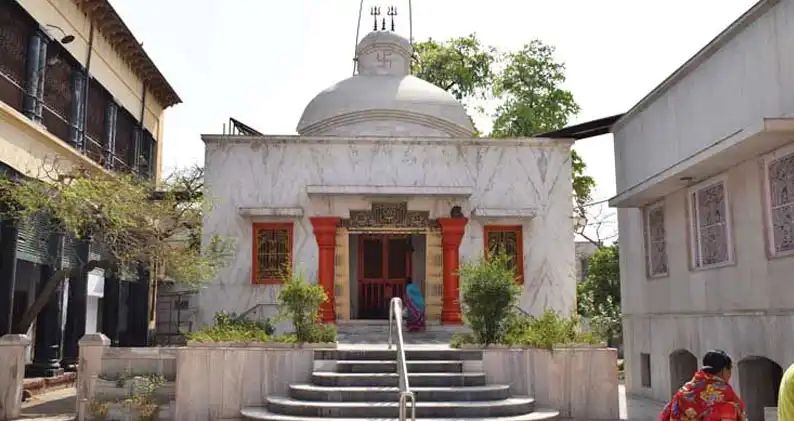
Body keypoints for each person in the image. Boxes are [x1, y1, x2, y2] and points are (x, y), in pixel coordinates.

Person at [660, 350, 746, 421]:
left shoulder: (685, 389)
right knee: (731, 408)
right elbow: (740, 413)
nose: (730, 374)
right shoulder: (724, 392)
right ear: (723, 370)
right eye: (729, 369)